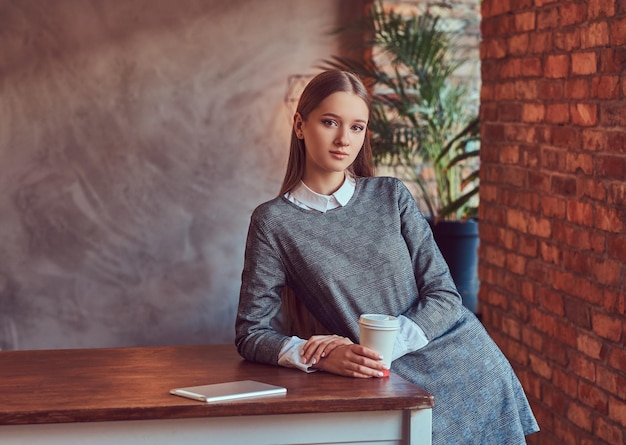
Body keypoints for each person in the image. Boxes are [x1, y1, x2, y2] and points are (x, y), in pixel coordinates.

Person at [235, 70, 539, 444]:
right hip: (385, 381)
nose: (344, 139)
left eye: (357, 127)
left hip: (466, 363)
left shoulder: (391, 196)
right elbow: (251, 333)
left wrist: (378, 350)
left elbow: (444, 296)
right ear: (300, 125)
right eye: (330, 122)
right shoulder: (274, 222)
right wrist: (320, 356)